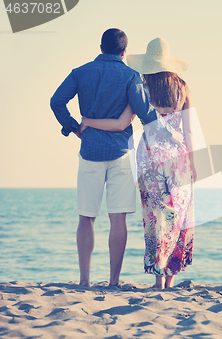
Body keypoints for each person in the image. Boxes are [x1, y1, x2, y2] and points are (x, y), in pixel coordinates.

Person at [50, 29, 183, 287]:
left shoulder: (80, 72)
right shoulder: (131, 76)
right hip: (121, 155)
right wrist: (174, 138)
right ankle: (113, 281)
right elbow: (147, 116)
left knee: (86, 217)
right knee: (118, 218)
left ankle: (84, 280)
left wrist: (73, 126)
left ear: (100, 48)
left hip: (90, 152)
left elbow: (56, 101)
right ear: (124, 52)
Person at [80, 37, 196, 290]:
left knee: (156, 217)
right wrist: (195, 164)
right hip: (179, 159)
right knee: (178, 216)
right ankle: (171, 279)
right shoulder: (183, 88)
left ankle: (158, 281)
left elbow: (121, 124)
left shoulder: (141, 87)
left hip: (151, 158)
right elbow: (190, 131)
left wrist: (89, 121)